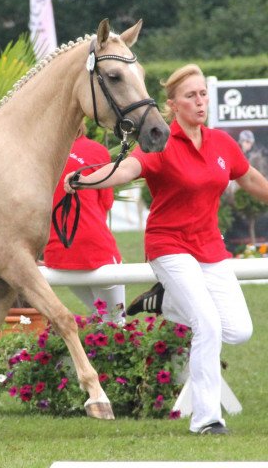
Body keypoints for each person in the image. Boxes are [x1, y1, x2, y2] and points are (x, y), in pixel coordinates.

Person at [64, 64, 268, 435]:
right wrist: (83, 180)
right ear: (173, 105)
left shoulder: (222, 143)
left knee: (239, 330)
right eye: (191, 96)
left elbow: (250, 178)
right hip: (169, 245)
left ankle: (165, 302)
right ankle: (207, 419)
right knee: (206, 324)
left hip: (209, 247)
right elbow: (125, 169)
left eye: (203, 93)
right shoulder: (160, 143)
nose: (201, 101)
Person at [44, 123, 125, 324]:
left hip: (58, 253)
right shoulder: (96, 151)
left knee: (102, 319)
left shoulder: (42, 152)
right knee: (115, 322)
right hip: (95, 250)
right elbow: (106, 201)